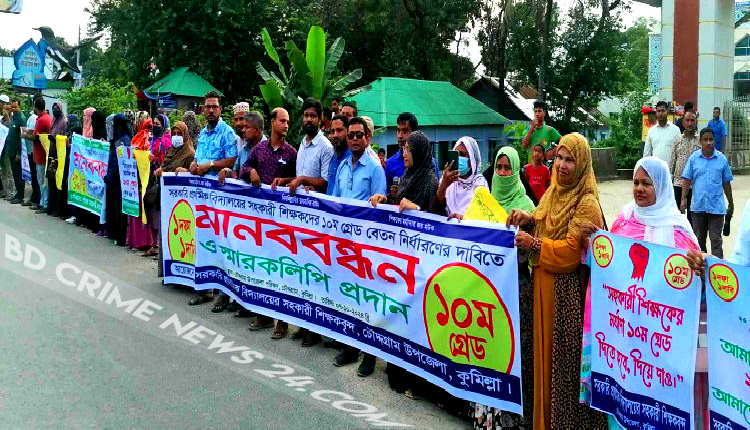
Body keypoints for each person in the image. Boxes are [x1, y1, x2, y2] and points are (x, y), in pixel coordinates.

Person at [581, 156, 701, 430]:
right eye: (636, 182)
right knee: (621, 399)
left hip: (655, 339)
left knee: (653, 403)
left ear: (661, 186)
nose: (639, 189)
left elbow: (689, 287)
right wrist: (594, 244)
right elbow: (607, 268)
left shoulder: (678, 230)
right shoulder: (624, 220)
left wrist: (699, 268)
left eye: (647, 183)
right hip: (622, 335)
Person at [506, 133, 607, 428]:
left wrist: (533, 245)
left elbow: (571, 253)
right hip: (543, 285)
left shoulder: (586, 202)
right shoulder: (553, 191)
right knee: (545, 363)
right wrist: (527, 218)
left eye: (570, 160)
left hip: (567, 296)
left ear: (583, 163)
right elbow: (543, 220)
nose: (562, 165)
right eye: (559, 158)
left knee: (563, 367)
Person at [370, 131, 438, 399]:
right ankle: (396, 369)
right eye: (404, 148)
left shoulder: (429, 180)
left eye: (409, 148)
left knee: (412, 317)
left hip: (418, 263)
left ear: (420, 152)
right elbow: (399, 205)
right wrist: (385, 200)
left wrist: (416, 209)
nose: (405, 152)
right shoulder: (407, 177)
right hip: (398, 259)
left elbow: (432, 219)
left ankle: (415, 381)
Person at [473, 145, 535, 428]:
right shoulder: (484, 200)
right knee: (488, 352)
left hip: (515, 291)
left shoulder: (527, 205)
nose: (502, 172)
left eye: (507, 168)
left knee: (513, 353)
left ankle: (514, 420)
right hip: (487, 289)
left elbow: (531, 252)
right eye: (498, 167)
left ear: (516, 169)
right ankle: (488, 418)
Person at [271, 98, 333, 345]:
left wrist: (303, 179)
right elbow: (299, 178)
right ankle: (304, 324)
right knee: (301, 271)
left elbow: (326, 183)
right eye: (305, 115)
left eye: (312, 116)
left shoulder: (325, 147)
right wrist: (287, 181)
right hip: (299, 219)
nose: (308, 119)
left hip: (317, 220)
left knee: (316, 273)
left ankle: (314, 330)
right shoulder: (303, 145)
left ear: (320, 119)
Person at [330, 116, 385, 377]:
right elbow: (334, 203)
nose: (353, 139)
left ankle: (370, 356)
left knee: (367, 301)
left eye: (358, 135)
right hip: (344, 245)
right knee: (347, 296)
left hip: (366, 246)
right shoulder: (341, 167)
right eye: (350, 135)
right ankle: (350, 348)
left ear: (367, 138)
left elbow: (380, 210)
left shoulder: (375, 169)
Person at [241, 107, 297, 327]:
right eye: (282, 121)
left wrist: (285, 181)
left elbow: (296, 179)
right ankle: (263, 315)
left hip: (283, 223)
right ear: (273, 122)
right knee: (263, 266)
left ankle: (282, 320)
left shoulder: (292, 152)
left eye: (288, 122)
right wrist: (251, 173)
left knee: (282, 268)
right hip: (260, 220)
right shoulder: (260, 149)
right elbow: (244, 168)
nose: (285, 125)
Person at [680, 127, 734, 258]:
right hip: (698, 208)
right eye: (705, 140)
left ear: (715, 141)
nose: (708, 142)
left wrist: (731, 203)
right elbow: (687, 179)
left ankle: (718, 271)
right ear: (701, 141)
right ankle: (701, 274)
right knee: (699, 243)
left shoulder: (721, 159)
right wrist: (683, 199)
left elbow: (726, 183)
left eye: (711, 139)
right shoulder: (694, 159)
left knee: (716, 241)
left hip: (716, 209)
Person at [154, 121, 195, 277]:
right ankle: (167, 273)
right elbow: (166, 166)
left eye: (179, 134)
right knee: (166, 236)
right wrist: (161, 170)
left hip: (182, 205)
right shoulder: (172, 150)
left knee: (181, 239)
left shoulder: (189, 153)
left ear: (185, 135)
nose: (176, 137)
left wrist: (184, 171)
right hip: (167, 201)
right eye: (174, 134)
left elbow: (193, 175)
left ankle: (182, 275)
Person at [431, 136, 488, 219]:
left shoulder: (479, 183)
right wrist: (444, 185)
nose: (458, 158)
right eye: (456, 154)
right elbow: (434, 210)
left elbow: (483, 215)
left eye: (462, 154)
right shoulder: (448, 179)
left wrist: (464, 218)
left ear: (471, 159)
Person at [189, 91, 238, 178]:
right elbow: (197, 157)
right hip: (200, 185)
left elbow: (233, 160)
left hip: (216, 187)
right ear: (204, 109)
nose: (211, 110)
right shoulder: (202, 133)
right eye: (208, 107)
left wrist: (210, 165)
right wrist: (194, 163)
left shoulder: (227, 132)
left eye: (214, 107)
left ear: (220, 109)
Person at [126, 117, 157, 252]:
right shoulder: (149, 139)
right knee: (144, 211)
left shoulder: (140, 138)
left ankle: (138, 241)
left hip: (139, 180)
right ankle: (147, 241)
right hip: (144, 180)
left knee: (140, 211)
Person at [384, 112, 438, 188]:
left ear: (414, 133)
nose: (400, 136)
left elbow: (435, 195)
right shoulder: (390, 163)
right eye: (398, 130)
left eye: (405, 131)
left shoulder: (429, 163)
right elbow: (386, 193)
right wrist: (393, 195)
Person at [105, 114, 132, 247]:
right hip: (116, 180)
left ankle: (120, 236)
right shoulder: (119, 138)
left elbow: (118, 162)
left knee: (119, 208)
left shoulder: (123, 140)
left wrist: (110, 176)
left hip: (119, 181)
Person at [219, 111, 266, 186]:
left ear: (256, 131)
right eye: (243, 127)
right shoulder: (243, 149)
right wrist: (227, 171)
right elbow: (235, 172)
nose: (243, 130)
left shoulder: (270, 151)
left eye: (247, 127)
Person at [669, 111, 699, 224]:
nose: (690, 123)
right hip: (678, 183)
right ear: (683, 122)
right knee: (677, 217)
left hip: (694, 185)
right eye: (687, 120)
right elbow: (672, 162)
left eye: (692, 120)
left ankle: (691, 240)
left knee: (693, 219)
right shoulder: (677, 140)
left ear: (696, 122)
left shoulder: (700, 141)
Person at [45, 103, 68, 217]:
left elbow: (62, 138)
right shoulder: (54, 121)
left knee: (57, 182)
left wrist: (54, 139)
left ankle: (57, 209)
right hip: (52, 152)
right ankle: (50, 206)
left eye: (57, 109)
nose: (55, 111)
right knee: (50, 180)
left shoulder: (63, 122)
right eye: (53, 109)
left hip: (59, 154)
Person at [643, 100, 680, 165]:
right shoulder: (651, 131)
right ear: (656, 113)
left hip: (670, 171)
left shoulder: (675, 130)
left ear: (667, 112)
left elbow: (679, 151)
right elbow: (647, 153)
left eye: (663, 111)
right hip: (655, 170)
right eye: (658, 111)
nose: (660, 113)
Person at [5, 98, 26, 205]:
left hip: (17, 152)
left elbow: (21, 137)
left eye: (15, 107)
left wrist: (19, 153)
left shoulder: (21, 119)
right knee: (14, 173)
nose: (13, 109)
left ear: (19, 106)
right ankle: (18, 194)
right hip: (11, 151)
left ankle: (20, 196)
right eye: (12, 107)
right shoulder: (14, 117)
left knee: (18, 175)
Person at [326, 115, 350, 195]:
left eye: (339, 130)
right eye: (333, 131)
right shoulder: (334, 156)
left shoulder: (353, 158)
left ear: (348, 131)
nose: (335, 135)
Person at [24, 108, 40, 207]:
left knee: (36, 176)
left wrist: (25, 135)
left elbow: (34, 135)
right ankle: (34, 197)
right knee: (33, 176)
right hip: (30, 150)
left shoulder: (36, 119)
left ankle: (37, 198)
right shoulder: (33, 118)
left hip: (34, 151)